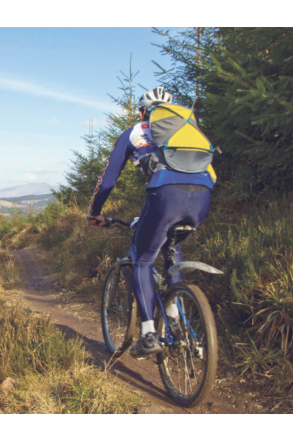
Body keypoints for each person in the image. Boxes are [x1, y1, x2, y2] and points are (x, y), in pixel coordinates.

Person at [87, 87, 215, 357]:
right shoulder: (186, 130)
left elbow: (108, 179)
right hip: (202, 196)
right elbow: (211, 173)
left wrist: (96, 210)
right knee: (171, 247)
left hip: (165, 196)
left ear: (142, 111)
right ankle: (175, 317)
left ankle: (147, 333)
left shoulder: (134, 132)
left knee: (143, 260)